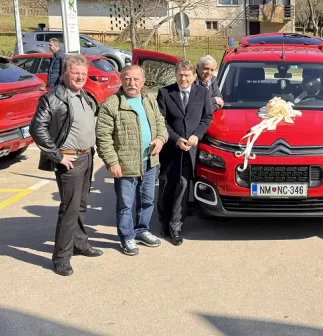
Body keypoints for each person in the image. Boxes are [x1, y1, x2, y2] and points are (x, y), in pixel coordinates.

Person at [30, 54, 102, 276]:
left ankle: (80, 243)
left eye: (83, 74)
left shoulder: (85, 96)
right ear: (64, 74)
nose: (80, 77)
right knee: (69, 209)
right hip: (69, 160)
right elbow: (37, 128)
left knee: (81, 205)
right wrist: (58, 155)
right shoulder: (53, 98)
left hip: (87, 157)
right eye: (75, 73)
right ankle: (61, 257)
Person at [96, 65, 168, 256]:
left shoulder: (149, 100)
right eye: (127, 79)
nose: (132, 83)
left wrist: (161, 139)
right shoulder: (111, 104)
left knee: (147, 201)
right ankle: (127, 236)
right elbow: (103, 137)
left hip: (150, 162)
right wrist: (112, 162)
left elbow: (161, 123)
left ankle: (142, 230)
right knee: (125, 204)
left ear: (143, 82)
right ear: (121, 80)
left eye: (136, 79)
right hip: (125, 164)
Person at [156, 60, 214, 246]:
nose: (184, 78)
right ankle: (163, 221)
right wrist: (175, 139)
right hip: (172, 148)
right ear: (176, 75)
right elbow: (161, 122)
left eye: (187, 75)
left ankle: (176, 227)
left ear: (194, 77)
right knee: (167, 187)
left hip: (191, 149)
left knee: (182, 185)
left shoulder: (202, 92)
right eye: (180, 75)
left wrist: (197, 135)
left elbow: (207, 117)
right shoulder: (165, 93)